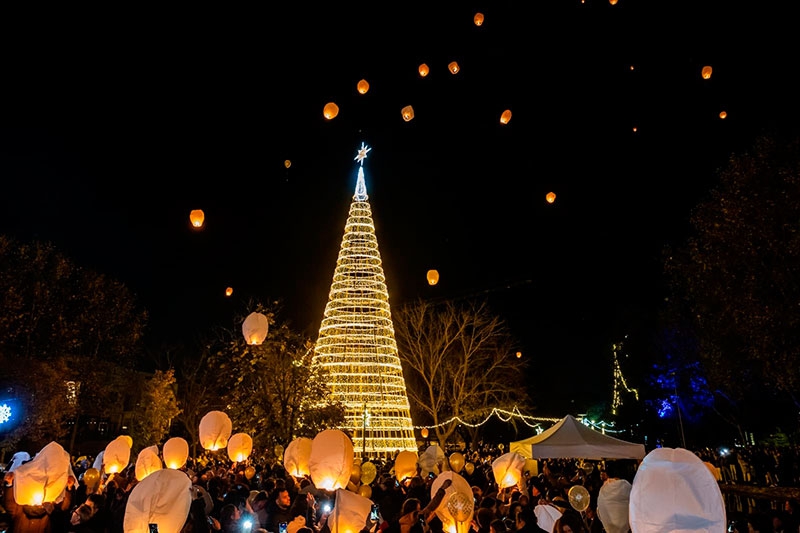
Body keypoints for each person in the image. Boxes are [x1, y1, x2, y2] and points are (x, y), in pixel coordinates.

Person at [3, 470, 77, 533]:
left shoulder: (49, 508)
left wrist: (69, 489)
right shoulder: (21, 507)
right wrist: (9, 484)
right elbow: (10, 505)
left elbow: (64, 508)